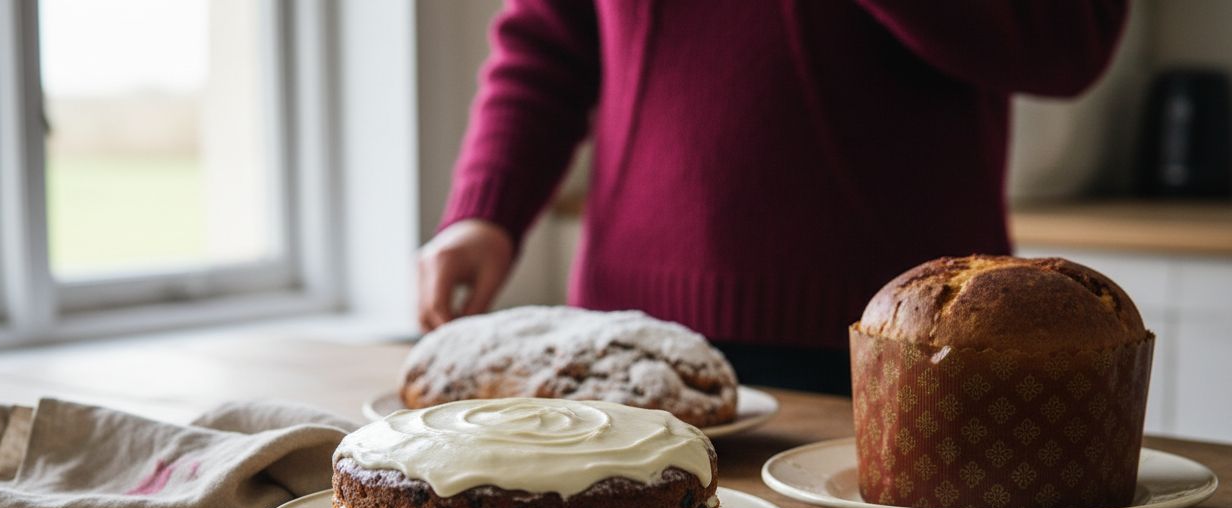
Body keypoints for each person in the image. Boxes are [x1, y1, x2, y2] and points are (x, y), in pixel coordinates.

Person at [416, 0, 1130, 394]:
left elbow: (1067, 40)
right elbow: (547, 46)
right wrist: (486, 211)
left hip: (904, 351)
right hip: (622, 348)